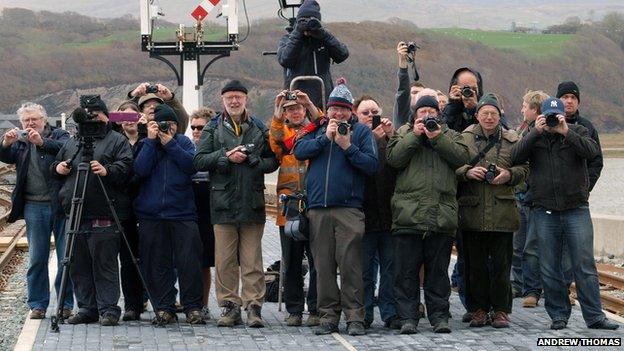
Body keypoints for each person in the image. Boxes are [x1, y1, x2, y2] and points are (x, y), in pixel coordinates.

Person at [512, 97, 619, 331]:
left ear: (563, 115)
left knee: (585, 265)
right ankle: (558, 315)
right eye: (548, 116)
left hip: (576, 209)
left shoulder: (578, 131)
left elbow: (592, 153)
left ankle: (594, 317)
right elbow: (514, 156)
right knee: (549, 266)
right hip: (544, 209)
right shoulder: (534, 135)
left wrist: (565, 131)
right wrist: (534, 132)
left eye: (556, 116)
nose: (552, 120)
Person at [294, 79, 378, 336]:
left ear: (351, 111)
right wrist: (325, 139)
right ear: (327, 109)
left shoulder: (362, 132)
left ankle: (355, 317)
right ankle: (327, 316)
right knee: (323, 265)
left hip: (349, 209)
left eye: (343, 108)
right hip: (318, 208)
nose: (338, 113)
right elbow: (298, 149)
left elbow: (371, 165)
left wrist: (347, 146)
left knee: (351, 264)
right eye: (334, 108)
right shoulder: (319, 128)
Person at [193, 80, 279, 328]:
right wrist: (225, 157)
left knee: (252, 261)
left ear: (245, 99)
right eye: (229, 97)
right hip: (222, 204)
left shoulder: (258, 127)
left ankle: (254, 307)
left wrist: (254, 161)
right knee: (225, 261)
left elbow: (273, 160)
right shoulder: (212, 128)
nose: (234, 101)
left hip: (251, 203)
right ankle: (230, 307)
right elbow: (198, 160)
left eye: (238, 97)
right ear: (223, 100)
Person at [386, 95, 469, 334]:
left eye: (431, 112)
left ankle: (439, 317)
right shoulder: (403, 133)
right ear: (414, 115)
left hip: (440, 216)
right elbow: (394, 159)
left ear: (438, 114)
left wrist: (437, 137)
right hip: (407, 216)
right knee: (406, 273)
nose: (426, 116)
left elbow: (461, 159)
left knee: (438, 274)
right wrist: (415, 135)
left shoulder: (450, 135)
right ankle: (408, 318)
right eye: (421, 111)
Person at [51, 97, 132, 326]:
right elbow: (55, 169)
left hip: (104, 210)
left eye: (97, 113)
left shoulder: (117, 140)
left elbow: (127, 167)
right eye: (89, 114)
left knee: (104, 262)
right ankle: (87, 308)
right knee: (77, 262)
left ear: (107, 116)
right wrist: (59, 168)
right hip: (75, 212)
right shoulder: (73, 141)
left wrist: (107, 170)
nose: (93, 118)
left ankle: (109, 309)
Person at [456, 93, 528, 329]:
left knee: (501, 265)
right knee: (474, 266)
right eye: (485, 113)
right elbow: (452, 165)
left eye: (493, 113)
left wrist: (509, 175)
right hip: (473, 210)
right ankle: (477, 310)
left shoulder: (512, 139)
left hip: (502, 211)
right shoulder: (464, 138)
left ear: (500, 116)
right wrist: (467, 171)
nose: (489, 117)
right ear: (477, 115)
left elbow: (525, 169)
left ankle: (501, 311)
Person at [0, 102, 73, 320]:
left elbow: (66, 150)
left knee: (65, 258)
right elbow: (6, 157)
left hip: (60, 205)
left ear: (44, 120)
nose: (30, 123)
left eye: (34, 119)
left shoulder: (59, 135)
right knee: (37, 257)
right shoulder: (21, 142)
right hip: (33, 205)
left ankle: (65, 304)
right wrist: (5, 143)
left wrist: (41, 142)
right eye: (26, 120)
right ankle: (37, 304)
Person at [133, 104, 204, 325]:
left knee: (189, 262)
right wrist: (153, 142)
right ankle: (164, 308)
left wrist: (170, 144)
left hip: (182, 213)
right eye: (162, 124)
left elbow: (191, 166)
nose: (167, 128)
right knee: (156, 263)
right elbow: (140, 170)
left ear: (177, 126)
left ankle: (193, 307)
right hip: (151, 214)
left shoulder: (183, 143)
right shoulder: (145, 144)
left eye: (171, 124)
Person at [269, 89, 320, 327]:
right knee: (291, 261)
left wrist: (309, 102)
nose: (296, 112)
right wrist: (277, 113)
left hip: (314, 204)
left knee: (317, 259)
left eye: (298, 108)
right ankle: (294, 309)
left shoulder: (316, 131)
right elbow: (275, 139)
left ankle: (316, 308)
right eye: (290, 109)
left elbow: (323, 120)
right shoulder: (284, 134)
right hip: (289, 208)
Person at [353, 95, 399, 330]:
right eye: (365, 113)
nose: (371, 117)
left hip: (389, 215)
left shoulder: (389, 140)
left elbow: (402, 163)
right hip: (363, 216)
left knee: (390, 269)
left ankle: (390, 313)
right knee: (365, 271)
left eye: (374, 112)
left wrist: (392, 138)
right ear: (356, 115)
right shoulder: (352, 137)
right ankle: (366, 313)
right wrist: (371, 138)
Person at [511, 90, 549, 308]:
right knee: (519, 246)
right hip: (521, 197)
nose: (522, 109)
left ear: (535, 109)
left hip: (536, 199)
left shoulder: (544, 132)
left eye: (525, 106)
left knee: (534, 247)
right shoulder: (523, 130)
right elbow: (515, 156)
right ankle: (520, 284)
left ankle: (534, 289)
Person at [277, 0, 349, 108]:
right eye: (303, 20)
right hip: (296, 99)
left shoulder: (323, 39)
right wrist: (298, 33)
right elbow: (285, 60)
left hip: (322, 98)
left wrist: (324, 35)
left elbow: (342, 54)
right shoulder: (288, 39)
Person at [114, 100, 147, 321]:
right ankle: (131, 305)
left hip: (147, 204)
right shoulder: (115, 142)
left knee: (150, 257)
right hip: (124, 205)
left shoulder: (149, 140)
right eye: (123, 118)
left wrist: (147, 125)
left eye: (132, 116)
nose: (129, 122)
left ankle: (151, 298)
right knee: (127, 259)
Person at [189, 106, 217, 320]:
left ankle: (204, 303)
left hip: (210, 209)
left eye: (201, 127)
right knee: (187, 260)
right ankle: (189, 300)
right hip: (188, 208)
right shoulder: (186, 147)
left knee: (205, 262)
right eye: (193, 127)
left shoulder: (217, 147)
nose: (197, 131)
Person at [555, 81, 603, 191]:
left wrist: (586, 187)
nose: (569, 101)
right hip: (548, 196)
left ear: (578, 102)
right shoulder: (549, 124)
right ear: (557, 100)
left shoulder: (586, 126)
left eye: (573, 97)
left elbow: (596, 161)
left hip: (578, 196)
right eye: (565, 97)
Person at [392, 42, 428, 126]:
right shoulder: (403, 114)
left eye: (422, 94)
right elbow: (403, 91)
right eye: (414, 92)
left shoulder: (431, 118)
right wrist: (403, 63)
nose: (418, 96)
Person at [443, 67, 483, 132]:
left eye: (473, 89)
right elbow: (443, 131)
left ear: (479, 89)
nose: (469, 92)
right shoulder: (449, 108)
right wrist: (452, 105)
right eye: (464, 88)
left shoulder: (489, 106)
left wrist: (476, 109)